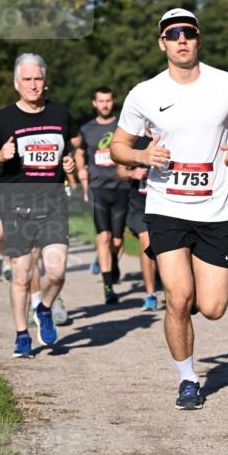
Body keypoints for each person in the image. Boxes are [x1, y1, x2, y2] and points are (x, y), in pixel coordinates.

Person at [111, 7, 228, 410]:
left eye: (188, 32)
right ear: (161, 42)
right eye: (172, 33)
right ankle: (187, 380)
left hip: (215, 210)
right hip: (166, 207)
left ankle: (194, 297)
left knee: (213, 308)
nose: (181, 39)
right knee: (178, 299)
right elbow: (118, 147)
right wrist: (143, 157)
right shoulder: (144, 93)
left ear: (199, 38)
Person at [0, 53, 76, 357]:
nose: (33, 85)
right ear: (16, 83)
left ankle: (44, 308)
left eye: (38, 79)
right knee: (22, 273)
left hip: (53, 201)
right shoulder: (3, 118)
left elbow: (66, 151)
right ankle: (22, 335)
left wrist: (69, 163)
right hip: (16, 203)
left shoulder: (61, 114)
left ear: (44, 82)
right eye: (27, 80)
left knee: (57, 271)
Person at [76, 87, 130, 305]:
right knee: (104, 237)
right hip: (98, 188)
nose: (105, 104)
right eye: (101, 101)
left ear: (113, 102)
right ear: (94, 103)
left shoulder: (123, 127)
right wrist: (82, 176)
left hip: (121, 187)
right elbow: (80, 152)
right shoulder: (87, 129)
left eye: (108, 100)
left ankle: (113, 262)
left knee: (117, 240)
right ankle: (108, 288)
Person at [116, 126, 161, 311]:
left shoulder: (170, 136)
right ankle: (151, 295)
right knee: (146, 240)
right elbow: (120, 172)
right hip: (139, 204)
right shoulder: (136, 141)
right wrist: (133, 173)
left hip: (164, 203)